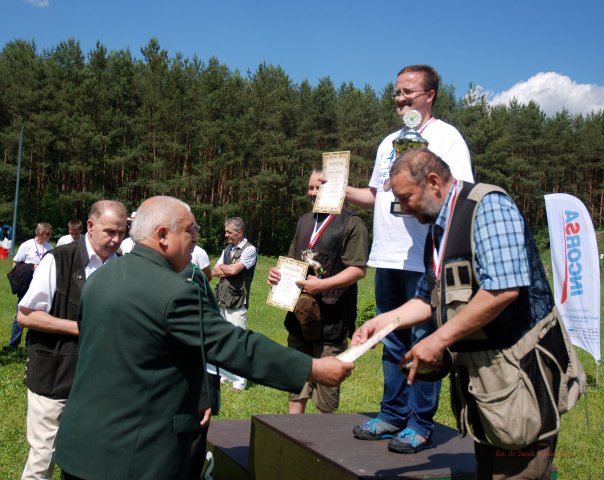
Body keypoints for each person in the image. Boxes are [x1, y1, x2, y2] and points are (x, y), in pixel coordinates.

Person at [54, 196, 354, 480]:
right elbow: (233, 345)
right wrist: (312, 369)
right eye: (189, 231)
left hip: (78, 448)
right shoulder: (174, 291)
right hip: (132, 458)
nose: (195, 238)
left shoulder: (99, 279)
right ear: (162, 235)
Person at [352, 148, 585, 479]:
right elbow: (427, 299)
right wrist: (383, 323)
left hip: (519, 370)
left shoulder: (488, 206)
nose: (402, 209)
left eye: (406, 198)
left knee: (518, 470)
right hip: (486, 380)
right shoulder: (438, 228)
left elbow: (503, 290)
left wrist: (437, 340)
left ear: (433, 182)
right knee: (487, 470)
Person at [346, 64, 474, 454]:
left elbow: (461, 190)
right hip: (387, 255)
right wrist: (336, 189)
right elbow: (375, 195)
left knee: (423, 339)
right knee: (391, 340)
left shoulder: (446, 137)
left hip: (424, 258)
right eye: (397, 92)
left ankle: (419, 423)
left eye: (409, 92)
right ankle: (392, 414)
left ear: (430, 94)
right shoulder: (388, 143)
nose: (401, 99)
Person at [16, 201, 127, 480]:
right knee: (44, 455)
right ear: (90, 226)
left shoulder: (122, 266)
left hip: (101, 381)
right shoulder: (59, 259)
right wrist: (80, 327)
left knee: (88, 458)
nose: (116, 239)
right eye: (110, 232)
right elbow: (26, 315)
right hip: (55, 375)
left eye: (122, 233)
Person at [268, 168, 369, 414]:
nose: (311, 193)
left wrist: (322, 285)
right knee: (296, 385)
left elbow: (358, 269)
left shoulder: (351, 223)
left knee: (325, 395)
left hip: (332, 320)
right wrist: (277, 275)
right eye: (310, 187)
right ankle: (292, 439)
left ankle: (320, 448)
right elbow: (292, 261)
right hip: (299, 316)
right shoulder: (304, 220)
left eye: (318, 188)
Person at [211, 217, 256, 391]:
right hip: (222, 299)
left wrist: (226, 268)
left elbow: (234, 270)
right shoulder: (228, 249)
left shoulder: (250, 250)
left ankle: (240, 381)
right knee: (223, 339)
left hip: (237, 301)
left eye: (229, 232)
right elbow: (214, 270)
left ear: (239, 233)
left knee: (238, 341)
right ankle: (224, 375)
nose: (226, 234)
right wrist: (226, 269)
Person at [4, 223, 53, 351]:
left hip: (40, 284)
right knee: (20, 312)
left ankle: (29, 343)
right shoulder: (27, 245)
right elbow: (16, 263)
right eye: (47, 233)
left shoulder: (49, 248)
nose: (49, 235)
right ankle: (13, 343)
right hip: (26, 283)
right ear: (39, 233)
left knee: (36, 313)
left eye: (50, 233)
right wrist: (24, 274)